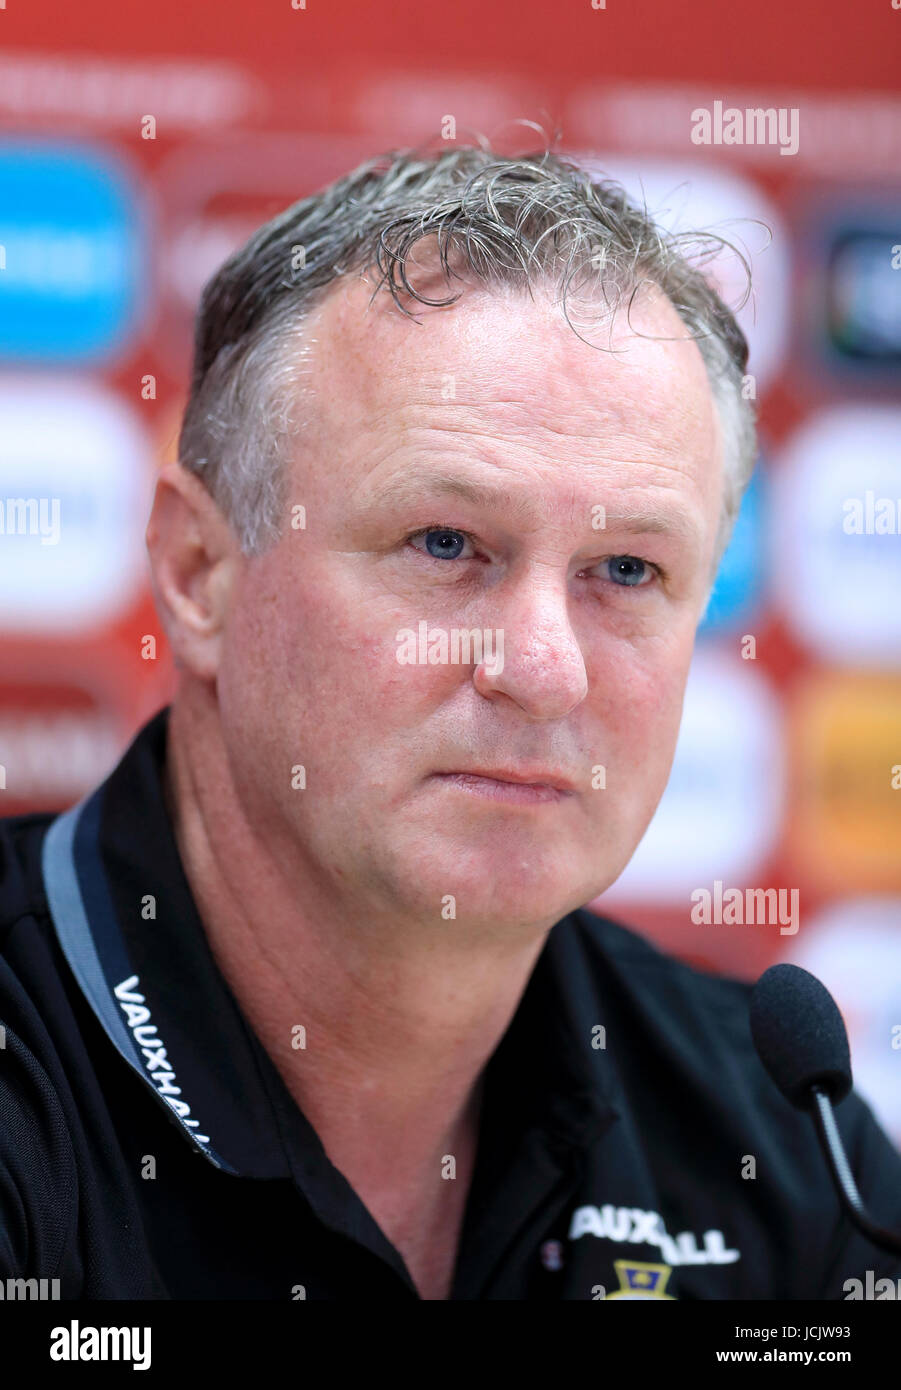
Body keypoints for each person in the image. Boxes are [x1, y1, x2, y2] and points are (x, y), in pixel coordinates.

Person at [1, 144, 899, 1301]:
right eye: (444, 544)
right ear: (199, 571)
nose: (541, 668)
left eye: (625, 568)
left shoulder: (780, 1145)